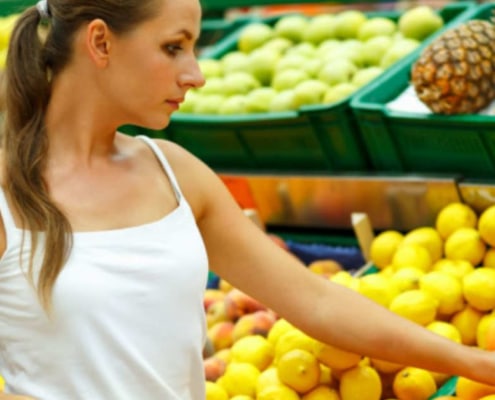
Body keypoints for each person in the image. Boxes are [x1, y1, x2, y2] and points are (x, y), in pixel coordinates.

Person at [0, 0, 495, 399]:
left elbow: (317, 302)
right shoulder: (7, 192)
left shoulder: (175, 174)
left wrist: (474, 362)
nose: (197, 75)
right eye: (173, 48)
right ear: (101, 42)